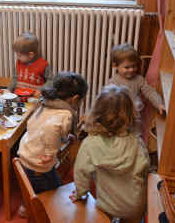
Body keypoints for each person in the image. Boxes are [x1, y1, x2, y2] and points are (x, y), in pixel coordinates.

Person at [70, 85, 150, 223]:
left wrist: (80, 193)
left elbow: (81, 172)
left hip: (107, 205)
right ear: (131, 115)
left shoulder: (90, 144)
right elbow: (145, 168)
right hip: (135, 206)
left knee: (103, 219)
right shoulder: (137, 143)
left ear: (96, 113)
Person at [17, 71, 88, 216]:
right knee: (54, 191)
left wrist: (64, 139)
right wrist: (50, 153)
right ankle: (43, 212)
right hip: (39, 162)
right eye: (81, 101)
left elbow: (40, 125)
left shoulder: (45, 102)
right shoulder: (66, 114)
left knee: (32, 184)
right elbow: (51, 129)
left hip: (26, 152)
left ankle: (25, 205)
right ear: (75, 99)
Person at [109, 44, 165, 135]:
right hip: (119, 117)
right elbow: (108, 101)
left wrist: (159, 103)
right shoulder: (113, 82)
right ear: (115, 65)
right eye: (127, 67)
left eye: (134, 66)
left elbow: (149, 92)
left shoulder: (139, 80)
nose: (131, 70)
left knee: (135, 137)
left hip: (135, 118)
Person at [9, 32, 53, 97]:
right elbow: (15, 78)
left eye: (19, 55)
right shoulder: (19, 62)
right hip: (19, 95)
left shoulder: (43, 64)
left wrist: (41, 90)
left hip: (35, 97)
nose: (17, 57)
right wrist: (9, 90)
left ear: (30, 55)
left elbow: (51, 80)